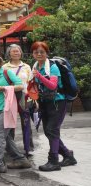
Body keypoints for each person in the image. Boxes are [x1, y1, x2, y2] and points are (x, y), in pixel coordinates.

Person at [0, 52, 31, 174]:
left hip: (8, 109)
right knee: (6, 137)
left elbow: (20, 86)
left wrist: (4, 88)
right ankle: (20, 159)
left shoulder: (6, 73)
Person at [31, 41, 77, 171]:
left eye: (42, 52)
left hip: (58, 102)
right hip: (45, 102)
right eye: (36, 52)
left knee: (52, 130)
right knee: (49, 131)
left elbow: (53, 85)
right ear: (33, 54)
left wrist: (39, 76)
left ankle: (53, 161)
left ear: (47, 53)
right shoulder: (36, 66)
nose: (39, 54)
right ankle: (68, 156)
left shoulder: (52, 67)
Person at [3, 44, 34, 155]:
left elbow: (31, 83)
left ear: (21, 53)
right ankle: (10, 148)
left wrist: (34, 98)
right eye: (13, 51)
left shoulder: (26, 66)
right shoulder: (4, 67)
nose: (16, 53)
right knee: (10, 123)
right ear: (9, 54)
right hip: (10, 97)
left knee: (26, 122)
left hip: (24, 97)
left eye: (18, 51)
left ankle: (28, 147)